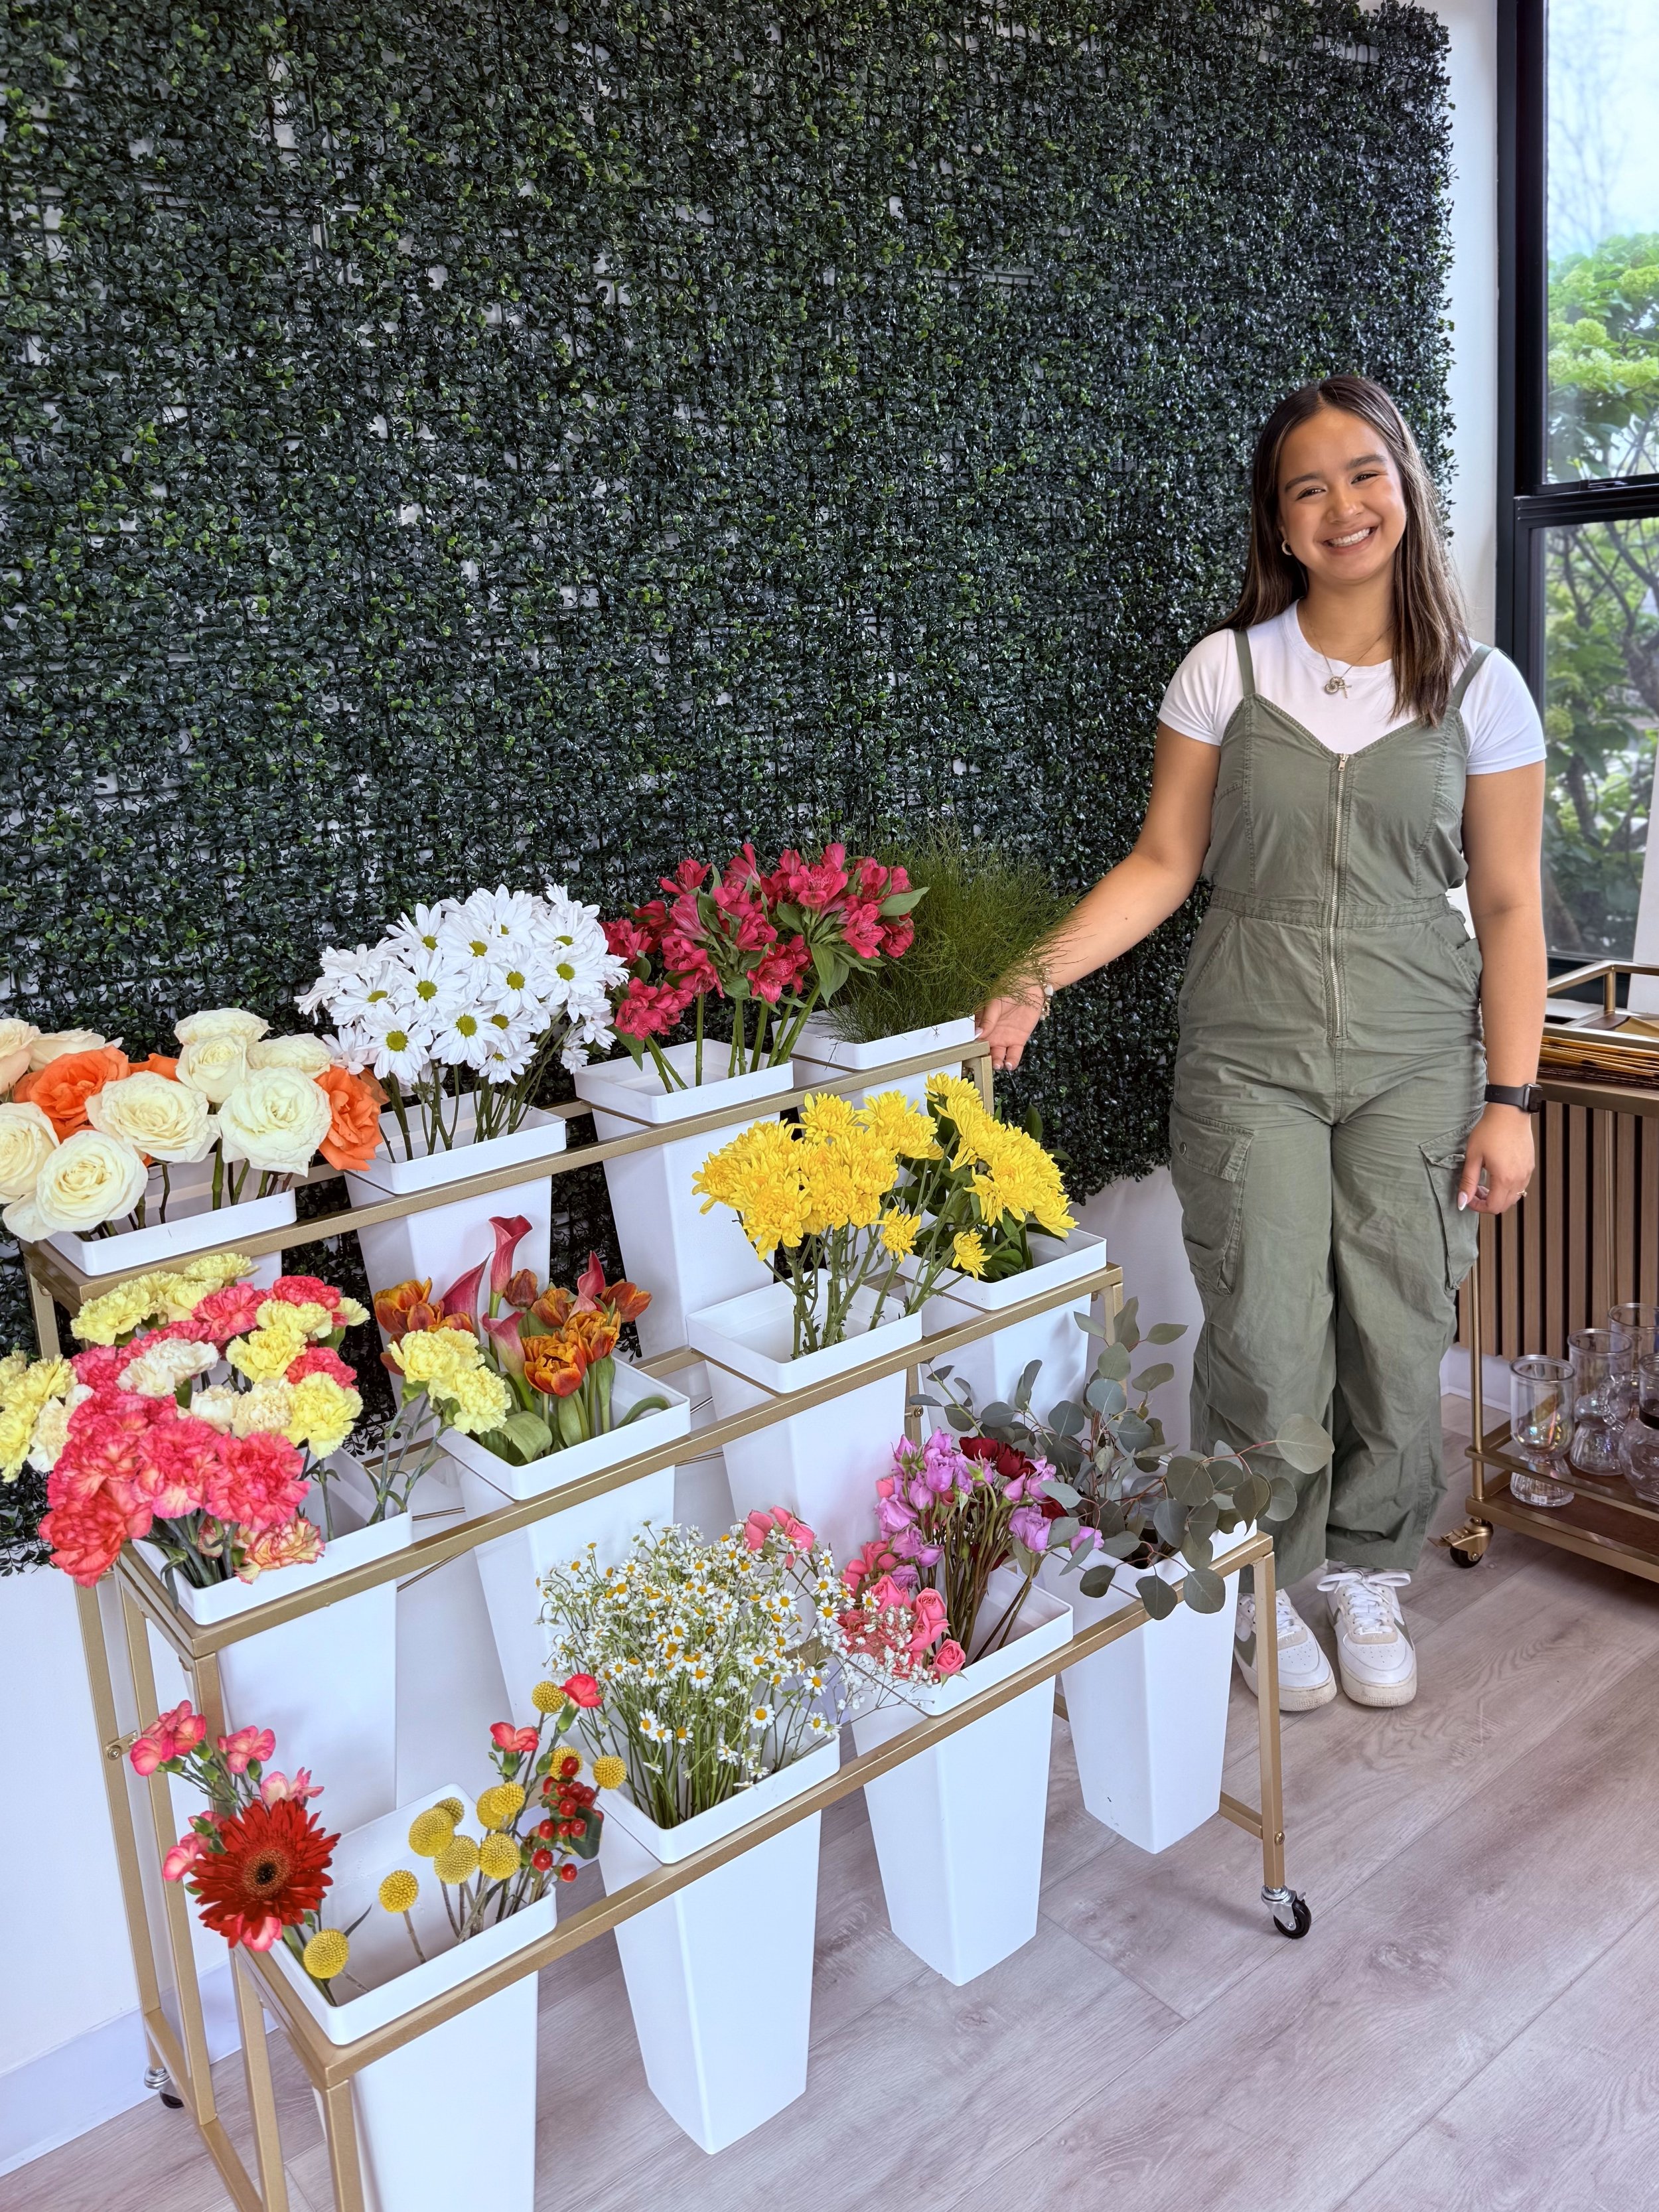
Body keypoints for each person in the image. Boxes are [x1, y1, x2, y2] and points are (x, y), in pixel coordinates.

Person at [978, 375, 1546, 1712]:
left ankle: (1364, 1569)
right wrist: (1033, 972)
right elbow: (1164, 859)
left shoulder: (1480, 687)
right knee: (1265, 1326)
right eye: (1307, 485)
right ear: (1278, 526)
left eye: (1362, 472)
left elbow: (1512, 900)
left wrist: (1510, 1095)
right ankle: (1254, 1572)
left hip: (1418, 1050)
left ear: (1402, 488)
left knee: (1398, 1323)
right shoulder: (1224, 668)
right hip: (1251, 1048)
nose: (1341, 503)